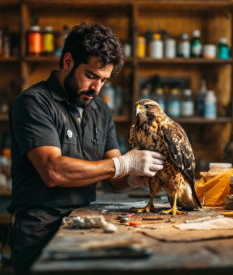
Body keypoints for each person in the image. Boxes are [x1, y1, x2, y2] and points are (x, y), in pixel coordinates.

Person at [7, 23, 166, 275]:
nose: (97, 88)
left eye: (103, 80)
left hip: (86, 223)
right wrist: (124, 163)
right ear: (68, 61)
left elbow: (116, 178)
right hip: (40, 229)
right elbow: (53, 171)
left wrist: (134, 177)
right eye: (91, 76)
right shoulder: (33, 103)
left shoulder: (100, 109)